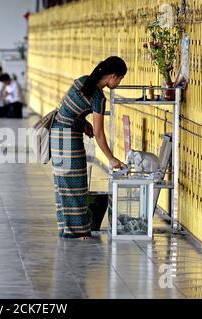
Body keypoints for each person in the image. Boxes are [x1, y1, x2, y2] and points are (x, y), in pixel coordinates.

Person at [50, 56, 128, 240]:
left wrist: (82, 121)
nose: (119, 83)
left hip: (57, 133)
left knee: (63, 183)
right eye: (120, 79)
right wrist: (111, 158)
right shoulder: (98, 98)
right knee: (75, 184)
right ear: (112, 76)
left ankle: (66, 229)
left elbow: (66, 107)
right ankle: (77, 232)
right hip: (68, 139)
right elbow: (99, 134)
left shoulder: (82, 81)